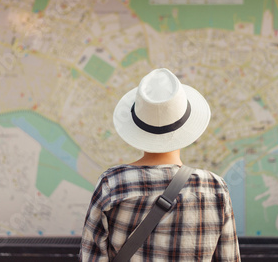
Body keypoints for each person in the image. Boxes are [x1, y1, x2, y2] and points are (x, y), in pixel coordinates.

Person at [79, 68, 240, 261]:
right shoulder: (214, 187)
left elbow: (90, 257)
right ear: (186, 124)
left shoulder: (113, 184)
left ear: (138, 125)